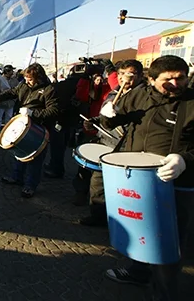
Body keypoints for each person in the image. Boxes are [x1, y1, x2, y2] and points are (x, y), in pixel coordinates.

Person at [100, 56, 194, 300]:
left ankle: (164, 294)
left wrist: (185, 159)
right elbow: (117, 121)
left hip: (176, 182)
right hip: (138, 179)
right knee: (142, 229)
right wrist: (108, 115)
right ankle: (139, 272)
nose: (176, 83)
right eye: (168, 79)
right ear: (151, 80)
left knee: (168, 243)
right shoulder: (139, 95)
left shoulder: (192, 103)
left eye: (180, 77)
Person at [78, 59, 144, 227]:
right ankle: (98, 216)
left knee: (121, 187)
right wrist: (94, 121)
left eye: (130, 74)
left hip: (125, 146)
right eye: (121, 74)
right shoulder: (115, 92)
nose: (124, 78)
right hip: (106, 142)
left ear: (140, 76)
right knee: (97, 182)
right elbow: (104, 117)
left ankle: (122, 221)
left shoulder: (143, 95)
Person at [0, 63, 59, 198]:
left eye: (30, 79)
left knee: (35, 158)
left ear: (39, 77)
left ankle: (30, 185)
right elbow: (12, 92)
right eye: (26, 78)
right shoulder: (23, 85)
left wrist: (33, 112)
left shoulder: (49, 89)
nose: (27, 81)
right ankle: (16, 177)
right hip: (23, 125)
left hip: (39, 128)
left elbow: (53, 111)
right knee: (19, 153)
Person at [72, 72, 112, 205]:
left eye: (100, 77)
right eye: (95, 78)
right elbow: (81, 96)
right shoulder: (89, 89)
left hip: (105, 132)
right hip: (89, 129)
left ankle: (100, 199)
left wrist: (110, 71)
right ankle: (80, 192)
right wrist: (84, 77)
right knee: (84, 164)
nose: (98, 80)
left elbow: (115, 86)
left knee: (101, 168)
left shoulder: (108, 89)